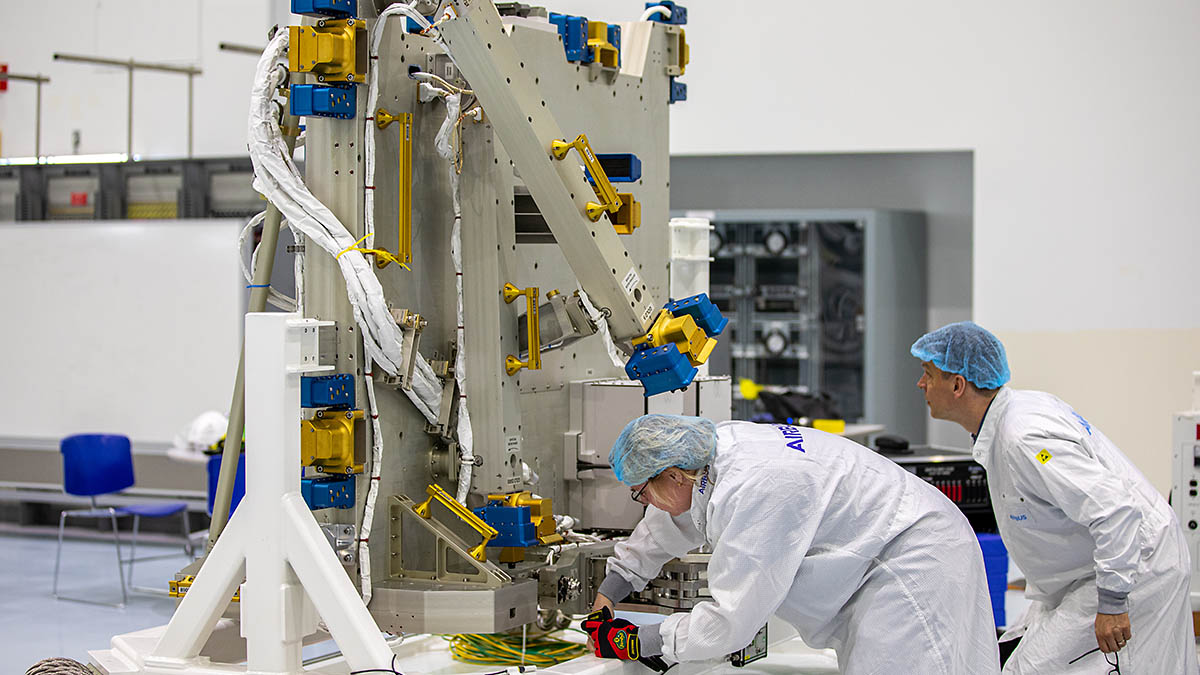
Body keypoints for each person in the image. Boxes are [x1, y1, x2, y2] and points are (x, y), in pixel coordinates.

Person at [587, 414, 1001, 674]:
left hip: (912, 566)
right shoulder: (714, 453)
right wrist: (610, 593)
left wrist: (639, 641)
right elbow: (667, 522)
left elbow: (732, 621)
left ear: (674, 475)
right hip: (893, 553)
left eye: (641, 492)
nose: (644, 504)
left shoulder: (756, 487)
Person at [911, 321, 1198, 674]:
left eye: (928, 373)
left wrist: (1111, 602)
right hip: (1090, 572)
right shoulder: (1010, 421)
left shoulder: (1024, 438)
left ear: (957, 385)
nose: (920, 384)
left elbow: (1115, 509)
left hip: (1133, 566)